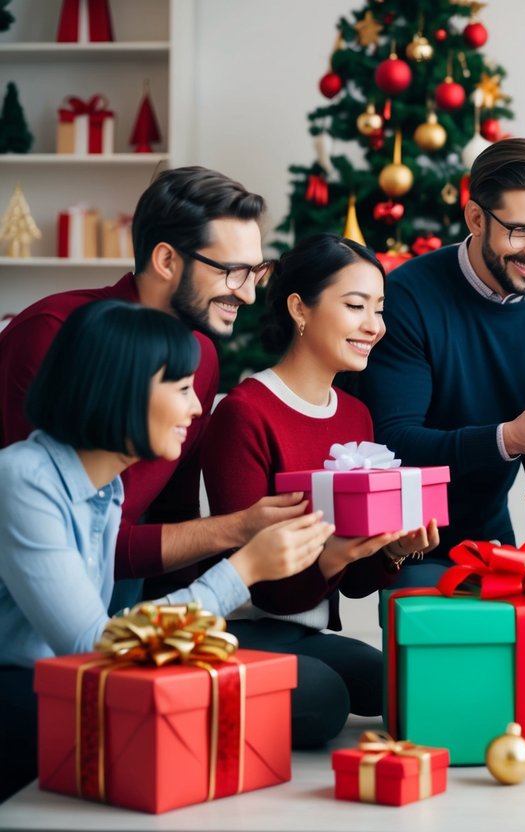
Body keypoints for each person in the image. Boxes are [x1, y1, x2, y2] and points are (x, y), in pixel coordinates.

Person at [0, 300, 334, 802]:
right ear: (120, 389)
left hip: (81, 676)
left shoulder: (106, 486)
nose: (197, 407)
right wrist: (242, 570)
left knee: (311, 694)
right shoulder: (22, 478)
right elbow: (93, 645)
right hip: (24, 685)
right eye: (181, 389)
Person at [0, 167, 308, 608]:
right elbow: (61, 535)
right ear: (166, 261)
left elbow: (174, 512)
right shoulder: (52, 336)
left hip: (129, 600)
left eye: (256, 273)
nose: (249, 296)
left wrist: (188, 636)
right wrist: (238, 530)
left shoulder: (201, 356)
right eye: (232, 272)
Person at [201, 233, 440, 747]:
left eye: (379, 308)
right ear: (299, 309)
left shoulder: (355, 413)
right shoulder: (245, 413)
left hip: (307, 628)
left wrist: (391, 551)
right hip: (243, 626)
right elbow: (262, 588)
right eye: (356, 306)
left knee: (398, 685)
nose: (374, 326)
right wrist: (331, 556)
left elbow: (353, 586)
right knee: (323, 700)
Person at [361, 138, 525, 585]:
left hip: (494, 541)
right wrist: (508, 439)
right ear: (475, 217)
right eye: (521, 231)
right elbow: (391, 445)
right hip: (410, 542)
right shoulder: (408, 298)